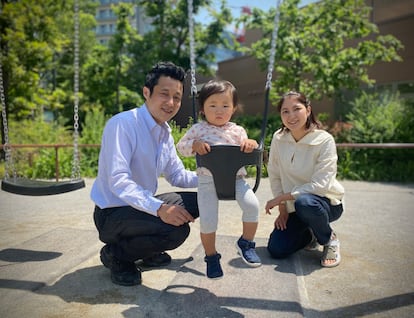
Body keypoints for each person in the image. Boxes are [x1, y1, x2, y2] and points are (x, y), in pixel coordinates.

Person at [91, 61, 199, 286]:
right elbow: (118, 181)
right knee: (176, 232)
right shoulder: (123, 124)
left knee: (202, 200)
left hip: (141, 207)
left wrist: (213, 178)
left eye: (177, 97)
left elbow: (177, 175)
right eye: (164, 94)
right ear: (147, 92)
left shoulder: (164, 133)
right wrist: (160, 209)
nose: (171, 103)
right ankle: (117, 255)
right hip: (112, 213)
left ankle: (147, 248)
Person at [177, 79, 261, 279]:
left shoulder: (237, 131)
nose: (219, 110)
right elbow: (181, 147)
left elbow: (250, 148)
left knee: (253, 206)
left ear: (233, 109)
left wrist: (251, 143)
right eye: (212, 105)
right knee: (208, 221)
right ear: (203, 109)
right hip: (207, 182)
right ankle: (211, 257)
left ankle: (245, 243)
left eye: (225, 105)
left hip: (236, 180)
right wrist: (195, 144)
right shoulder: (199, 129)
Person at [265, 91, 344, 268]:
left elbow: (320, 186)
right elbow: (275, 173)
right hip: (296, 207)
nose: (291, 116)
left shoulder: (324, 140)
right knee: (277, 249)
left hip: (324, 203)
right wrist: (283, 209)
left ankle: (329, 239)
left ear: (308, 110)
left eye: (296, 109)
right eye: (285, 111)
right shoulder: (279, 138)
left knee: (306, 203)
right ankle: (312, 233)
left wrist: (281, 199)